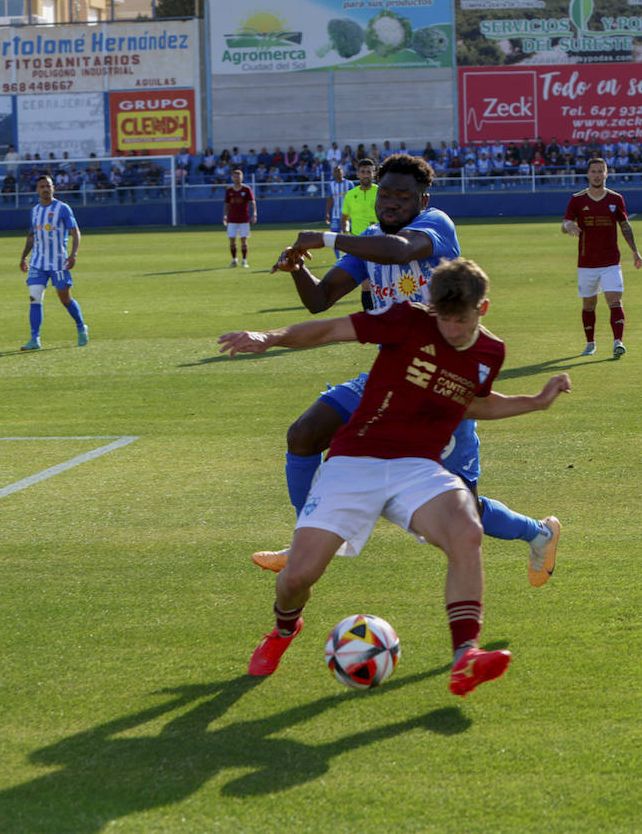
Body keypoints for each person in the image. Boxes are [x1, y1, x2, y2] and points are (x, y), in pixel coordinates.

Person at [219, 258, 573, 695]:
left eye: (461, 320)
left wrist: (535, 402)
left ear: (482, 310)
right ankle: (283, 631)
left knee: (465, 529)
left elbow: (471, 404)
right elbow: (330, 330)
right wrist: (267, 338)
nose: (451, 330)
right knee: (297, 577)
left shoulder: (490, 353)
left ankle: (466, 655)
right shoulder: (406, 321)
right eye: (442, 318)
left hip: (417, 466)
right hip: (355, 460)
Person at [258, 154, 562, 587]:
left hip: (441, 385)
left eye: (404, 196)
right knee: (304, 434)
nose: (392, 203)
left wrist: (327, 238)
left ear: (424, 198)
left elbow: (400, 250)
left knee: (461, 510)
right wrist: (300, 269)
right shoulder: (367, 240)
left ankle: (539, 532)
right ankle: (305, 541)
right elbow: (321, 300)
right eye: (386, 194)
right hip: (387, 378)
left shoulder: (436, 226)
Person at [562, 156, 642, 358]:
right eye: (594, 171)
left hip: (611, 262)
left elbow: (624, 225)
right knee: (589, 305)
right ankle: (590, 343)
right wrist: (568, 226)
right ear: (588, 174)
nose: (597, 175)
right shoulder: (577, 199)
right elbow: (565, 223)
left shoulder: (616, 199)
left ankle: (618, 341)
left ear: (607, 173)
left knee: (614, 300)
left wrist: (634, 250)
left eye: (601, 171)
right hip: (587, 263)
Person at [17, 175, 88, 350]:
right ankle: (35, 339)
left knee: (65, 299)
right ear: (37, 190)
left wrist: (73, 255)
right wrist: (24, 256)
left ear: (53, 188)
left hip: (58, 263)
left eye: (47, 186)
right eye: (41, 186)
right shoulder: (35, 211)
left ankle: (81, 326)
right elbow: (32, 235)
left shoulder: (62, 208)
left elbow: (75, 232)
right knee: (35, 297)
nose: (45, 189)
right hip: (38, 262)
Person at [341, 158, 379, 311]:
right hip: (359, 243)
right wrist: (345, 231)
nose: (366, 175)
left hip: (380, 240)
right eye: (363, 172)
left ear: (373, 174)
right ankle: (370, 315)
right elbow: (345, 217)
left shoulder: (381, 192)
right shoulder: (350, 195)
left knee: (383, 280)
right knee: (366, 283)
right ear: (357, 174)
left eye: (369, 172)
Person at [223, 168, 256, 268]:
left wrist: (254, 214)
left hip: (244, 219)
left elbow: (252, 202)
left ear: (242, 177)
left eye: (239, 176)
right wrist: (225, 216)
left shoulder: (246, 189)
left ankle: (244, 261)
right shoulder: (229, 190)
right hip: (232, 219)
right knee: (232, 240)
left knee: (244, 240)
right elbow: (226, 204)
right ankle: (234, 260)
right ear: (232, 178)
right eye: (235, 176)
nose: (237, 178)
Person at [323, 164, 354, 260]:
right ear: (333, 173)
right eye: (336, 171)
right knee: (334, 238)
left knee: (350, 236)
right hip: (336, 215)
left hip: (348, 215)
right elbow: (330, 199)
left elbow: (354, 198)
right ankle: (338, 258)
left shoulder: (349, 184)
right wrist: (327, 212)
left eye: (339, 171)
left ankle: (350, 256)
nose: (338, 173)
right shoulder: (331, 185)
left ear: (343, 172)